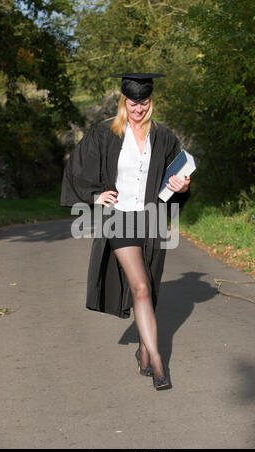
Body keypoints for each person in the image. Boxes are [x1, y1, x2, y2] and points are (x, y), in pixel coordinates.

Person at [60, 73, 191, 390]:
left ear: (151, 101)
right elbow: (76, 168)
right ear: (124, 101)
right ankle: (158, 360)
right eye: (133, 103)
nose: (139, 108)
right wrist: (95, 196)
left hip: (151, 219)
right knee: (141, 286)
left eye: (144, 102)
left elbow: (176, 180)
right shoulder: (106, 133)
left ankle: (144, 351)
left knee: (150, 286)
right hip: (118, 219)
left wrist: (182, 185)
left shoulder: (164, 137)